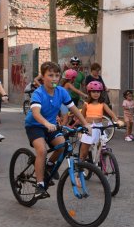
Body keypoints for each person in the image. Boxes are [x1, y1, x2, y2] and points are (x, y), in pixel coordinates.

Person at [25, 61, 90, 198]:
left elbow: (73, 109)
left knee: (62, 145)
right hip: (35, 125)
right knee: (42, 150)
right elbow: (36, 113)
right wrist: (46, 123)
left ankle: (49, 165)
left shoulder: (61, 92)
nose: (54, 78)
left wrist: (85, 124)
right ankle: (40, 185)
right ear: (43, 77)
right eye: (50, 75)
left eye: (57, 75)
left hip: (52, 125)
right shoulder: (38, 93)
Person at [78, 81, 124, 162]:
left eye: (98, 91)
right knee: (84, 151)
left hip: (99, 128)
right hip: (89, 127)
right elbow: (82, 116)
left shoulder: (102, 104)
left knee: (101, 148)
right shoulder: (86, 104)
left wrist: (117, 120)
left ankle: (100, 163)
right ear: (89, 92)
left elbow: (110, 112)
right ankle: (80, 169)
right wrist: (81, 127)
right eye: (93, 91)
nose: (96, 94)